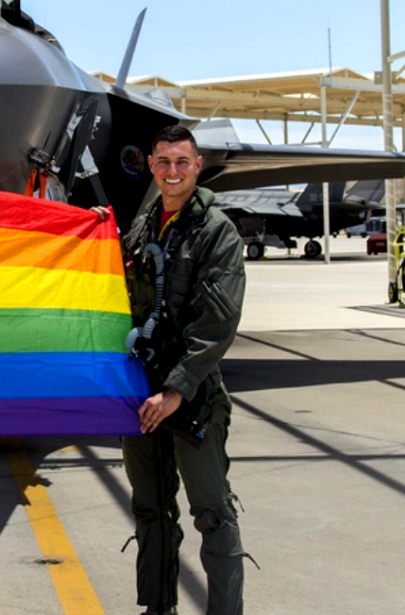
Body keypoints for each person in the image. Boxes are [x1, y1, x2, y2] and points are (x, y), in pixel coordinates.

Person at [92, 125, 249, 615]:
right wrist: (96, 235)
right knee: (151, 510)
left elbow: (218, 325)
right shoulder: (142, 228)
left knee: (213, 514)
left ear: (197, 166)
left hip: (192, 397)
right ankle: (157, 608)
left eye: (182, 162)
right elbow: (118, 290)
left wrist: (177, 391)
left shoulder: (216, 231)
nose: (173, 171)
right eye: (163, 162)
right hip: (143, 395)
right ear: (153, 166)